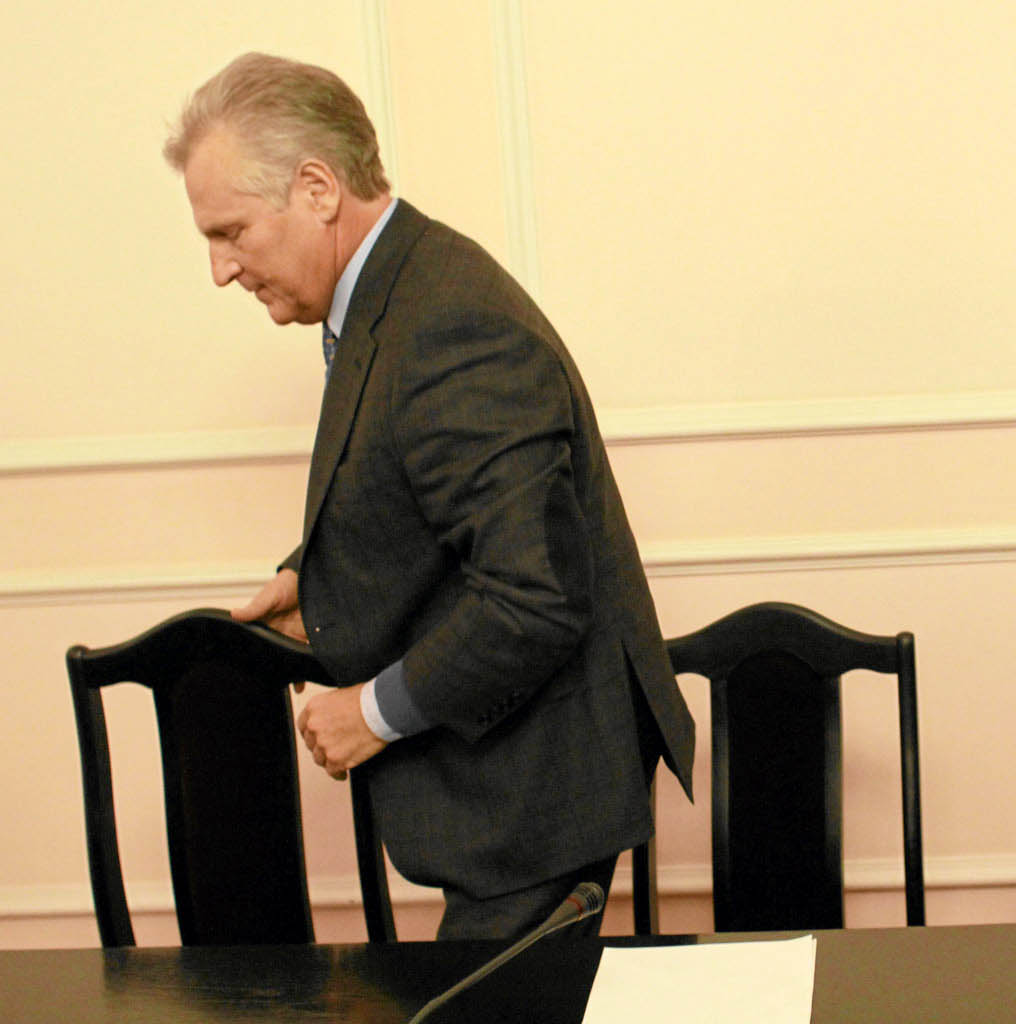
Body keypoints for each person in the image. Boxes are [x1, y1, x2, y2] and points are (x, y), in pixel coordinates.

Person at [163, 53, 694, 940]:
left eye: (231, 232)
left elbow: (533, 596)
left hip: (532, 804)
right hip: (512, 799)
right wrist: (321, 583)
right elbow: (418, 492)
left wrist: (371, 714)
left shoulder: (448, 323)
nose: (221, 269)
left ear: (317, 189)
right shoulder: (398, 289)